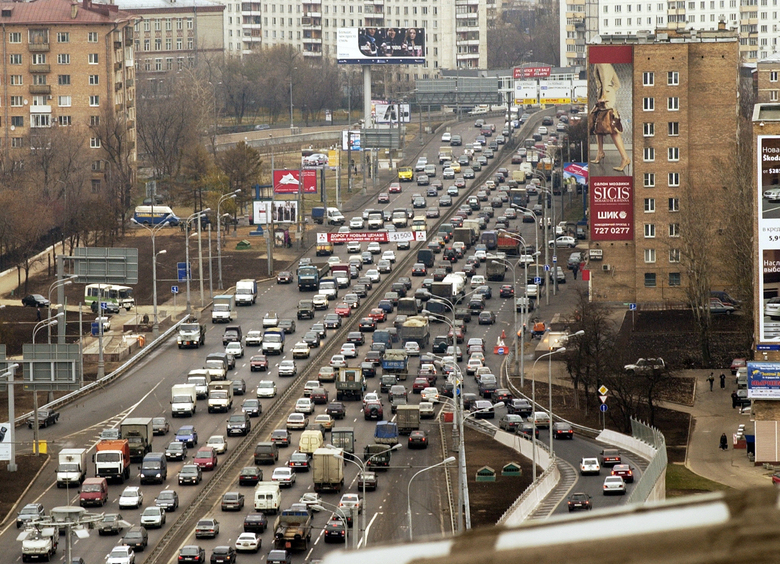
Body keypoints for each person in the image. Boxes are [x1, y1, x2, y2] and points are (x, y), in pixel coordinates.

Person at [590, 63, 631, 173]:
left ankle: (625, 158)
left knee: (610, 125)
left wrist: (604, 94)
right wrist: (609, 90)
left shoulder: (600, 62)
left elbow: (603, 79)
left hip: (604, 95)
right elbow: (617, 84)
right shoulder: (609, 64)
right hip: (606, 93)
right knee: (598, 123)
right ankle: (600, 152)